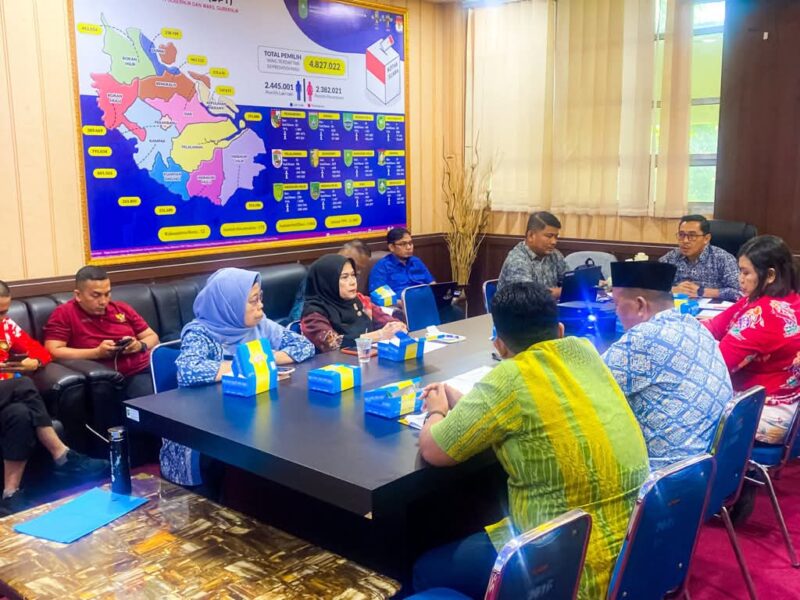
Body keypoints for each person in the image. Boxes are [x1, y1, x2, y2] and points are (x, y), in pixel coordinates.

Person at [413, 282, 649, 599]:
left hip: (566, 564)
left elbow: (434, 450)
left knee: (425, 568)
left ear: (499, 346)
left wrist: (437, 411)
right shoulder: (586, 352)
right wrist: (468, 405)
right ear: (560, 331)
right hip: (632, 551)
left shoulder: (509, 377)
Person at [160, 268, 314, 491]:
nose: (261, 305)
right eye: (253, 300)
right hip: (206, 426)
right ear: (229, 304)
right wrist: (249, 362)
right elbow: (187, 370)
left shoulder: (260, 325)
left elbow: (304, 345)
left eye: (260, 297)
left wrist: (266, 357)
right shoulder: (201, 333)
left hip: (251, 416)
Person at [603, 262, 732, 469]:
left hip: (666, 475)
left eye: (617, 303)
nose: (615, 311)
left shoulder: (645, 338)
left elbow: (586, 388)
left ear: (640, 305)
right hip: (712, 465)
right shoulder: (694, 325)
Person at [0, 281, 108, 516]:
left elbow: (41, 351)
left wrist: (34, 362)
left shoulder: (6, 326)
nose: (2, 317)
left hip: (5, 399)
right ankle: (61, 453)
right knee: (24, 384)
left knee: (20, 414)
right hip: (9, 389)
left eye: (5, 311)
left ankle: (10, 494)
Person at [704, 235, 800, 444]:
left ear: (770, 275)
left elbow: (717, 366)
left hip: (768, 411)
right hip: (785, 402)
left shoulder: (763, 315)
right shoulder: (786, 299)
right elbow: (714, 326)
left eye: (746, 272)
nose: (740, 279)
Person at [44, 266, 160, 399]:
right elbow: (52, 351)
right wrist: (96, 353)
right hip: (119, 376)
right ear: (78, 295)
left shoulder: (121, 308)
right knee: (155, 400)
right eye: (96, 295)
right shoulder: (65, 313)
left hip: (147, 365)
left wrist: (139, 345)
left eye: (107, 294)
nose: (104, 301)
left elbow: (152, 337)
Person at [301, 254, 407, 353]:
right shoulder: (313, 313)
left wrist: (396, 326)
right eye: (344, 277)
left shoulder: (360, 300)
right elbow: (333, 343)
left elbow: (385, 319)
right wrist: (379, 335)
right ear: (327, 282)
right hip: (332, 364)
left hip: (365, 358)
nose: (353, 282)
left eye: (353, 275)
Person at [288, 240, 373, 323]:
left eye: (360, 269)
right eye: (357, 266)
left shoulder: (350, 278)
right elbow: (301, 314)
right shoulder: (320, 273)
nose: (358, 272)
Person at [659, 214, 740, 301]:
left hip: (712, 308)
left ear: (706, 239)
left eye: (692, 236)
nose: (685, 241)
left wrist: (702, 292)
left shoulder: (722, 258)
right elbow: (652, 285)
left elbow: (739, 292)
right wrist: (673, 290)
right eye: (681, 235)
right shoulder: (671, 257)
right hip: (677, 306)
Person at [497, 211, 566, 298]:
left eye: (556, 237)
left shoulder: (555, 255)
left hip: (549, 305)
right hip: (520, 306)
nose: (554, 242)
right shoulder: (517, 260)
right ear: (531, 235)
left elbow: (570, 282)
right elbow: (528, 296)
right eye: (549, 236)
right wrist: (563, 291)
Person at [368, 228, 435, 296]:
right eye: (403, 244)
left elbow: (432, 283)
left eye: (410, 243)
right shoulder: (381, 267)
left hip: (424, 298)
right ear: (391, 247)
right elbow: (379, 295)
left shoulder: (416, 261)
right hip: (400, 301)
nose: (409, 247)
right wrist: (399, 301)